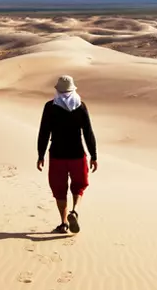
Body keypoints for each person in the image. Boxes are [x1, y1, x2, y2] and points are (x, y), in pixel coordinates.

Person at [37, 75, 98, 234]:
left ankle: (63, 223)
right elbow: (88, 133)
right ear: (73, 90)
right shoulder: (80, 106)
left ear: (57, 90)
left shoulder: (50, 107)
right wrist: (94, 155)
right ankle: (74, 211)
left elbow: (44, 132)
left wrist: (40, 155)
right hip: (77, 154)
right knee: (79, 186)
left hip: (57, 155)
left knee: (59, 189)